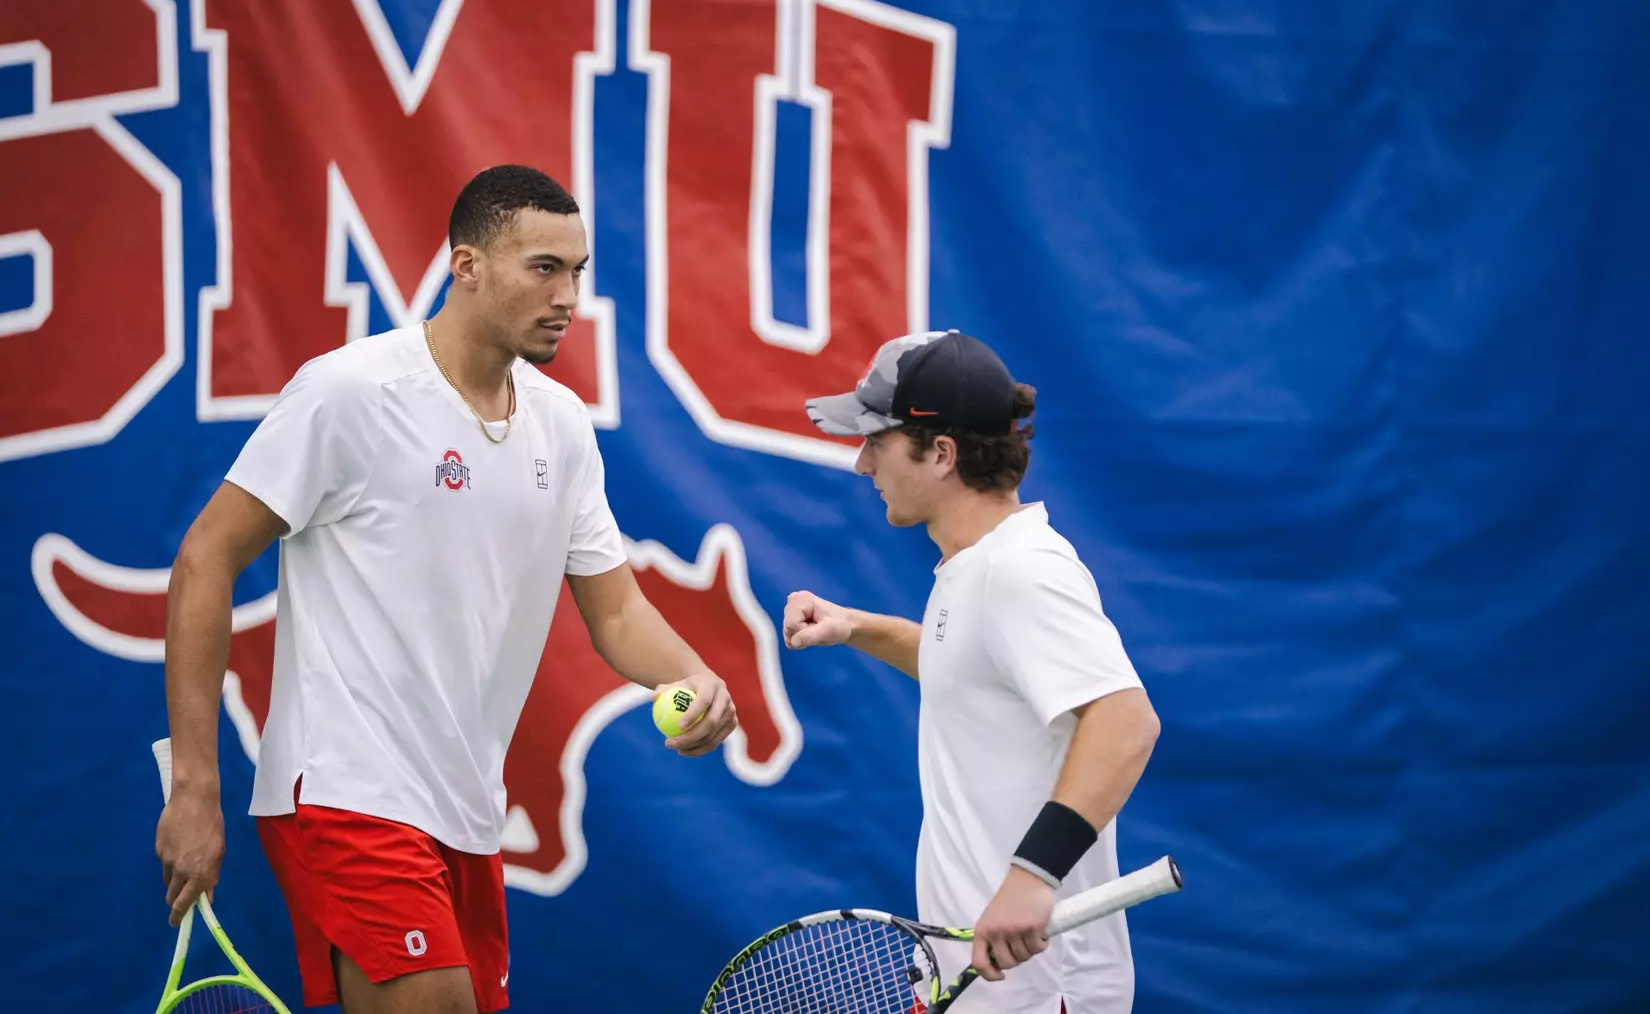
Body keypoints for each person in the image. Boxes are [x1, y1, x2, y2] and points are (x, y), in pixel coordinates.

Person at [155, 164, 739, 1014]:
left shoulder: (563, 425)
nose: (568, 294)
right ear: (467, 266)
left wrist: (693, 677)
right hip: (346, 788)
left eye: (576, 271)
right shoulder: (350, 392)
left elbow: (615, 610)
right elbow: (204, 560)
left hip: (466, 811)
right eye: (544, 267)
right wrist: (196, 788)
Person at [783, 330, 1160, 1013]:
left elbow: (1127, 721)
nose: (863, 463)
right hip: (987, 990)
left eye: (878, 441)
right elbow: (971, 671)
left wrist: (1031, 877)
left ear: (941, 454)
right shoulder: (977, 566)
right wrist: (857, 627)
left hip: (1046, 993)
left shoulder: (1021, 570)